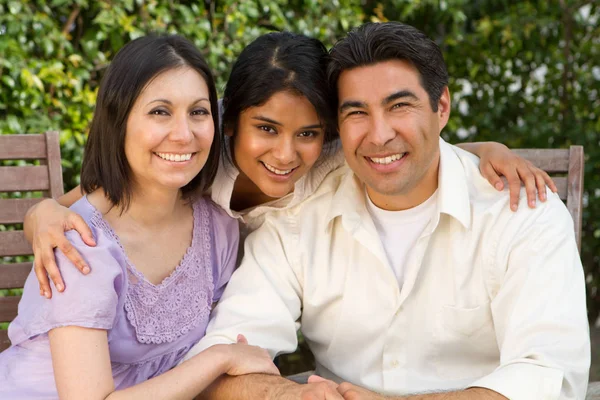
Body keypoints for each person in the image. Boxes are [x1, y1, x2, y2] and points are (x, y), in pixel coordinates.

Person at [189, 23, 590, 400]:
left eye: (399, 106)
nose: (379, 136)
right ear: (338, 129)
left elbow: (549, 375)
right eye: (357, 112)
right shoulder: (298, 216)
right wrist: (289, 394)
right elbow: (224, 353)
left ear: (442, 107)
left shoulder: (521, 213)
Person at [24, 32, 556, 299]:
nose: (285, 155)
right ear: (230, 121)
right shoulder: (197, 164)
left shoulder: (331, 164)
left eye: (307, 134)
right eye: (267, 130)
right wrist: (41, 214)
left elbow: (410, 148)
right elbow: (80, 200)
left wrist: (488, 150)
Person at [0, 34, 278, 399]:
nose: (183, 134)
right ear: (119, 121)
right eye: (159, 111)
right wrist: (220, 357)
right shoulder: (79, 244)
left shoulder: (217, 226)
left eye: (198, 112)